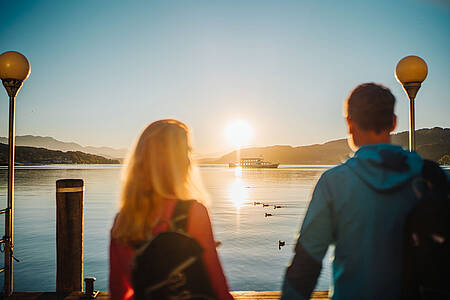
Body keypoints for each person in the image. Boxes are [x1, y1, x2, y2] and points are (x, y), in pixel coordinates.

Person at [281, 83, 431, 299]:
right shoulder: (432, 178)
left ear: (350, 124)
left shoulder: (334, 183)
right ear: (394, 123)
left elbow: (306, 265)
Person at [109, 119, 233, 300]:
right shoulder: (193, 213)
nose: (190, 160)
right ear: (179, 162)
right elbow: (219, 289)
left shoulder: (122, 221)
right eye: (187, 152)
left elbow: (119, 292)